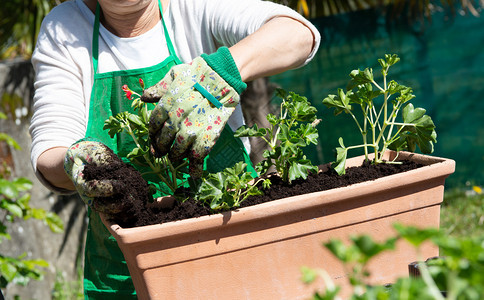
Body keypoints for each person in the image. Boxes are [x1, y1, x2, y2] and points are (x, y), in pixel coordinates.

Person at [29, 0, 321, 297]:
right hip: (129, 272)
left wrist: (222, 71)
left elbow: (298, 33)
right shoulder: (64, 26)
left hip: (233, 241)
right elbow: (49, 148)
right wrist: (76, 162)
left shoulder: (193, 6)